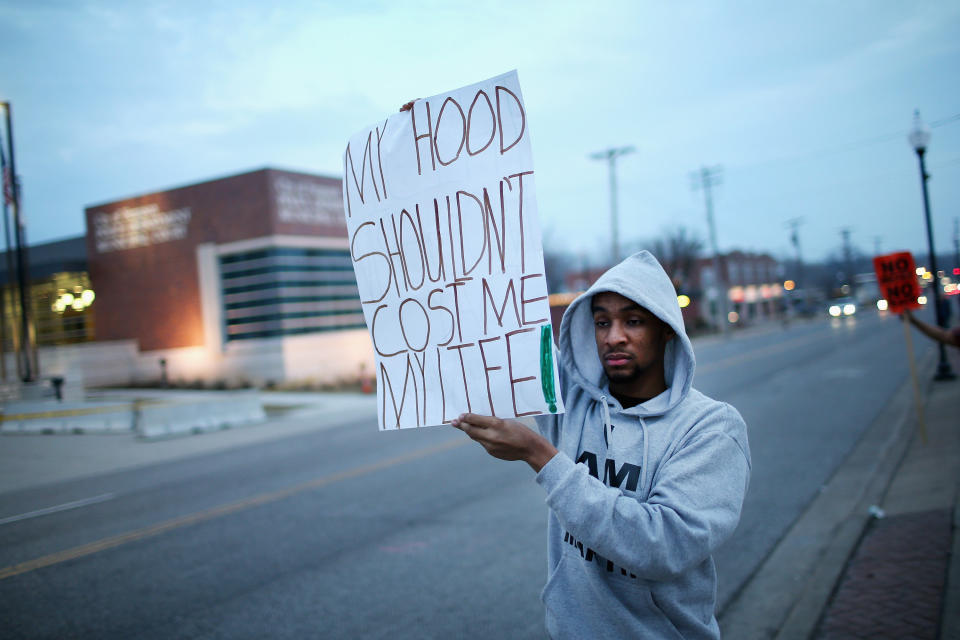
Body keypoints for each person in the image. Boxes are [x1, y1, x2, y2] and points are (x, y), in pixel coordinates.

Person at [452, 250, 751, 639]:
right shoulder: (573, 400)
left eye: (633, 321)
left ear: (666, 329)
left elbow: (661, 546)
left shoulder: (710, 428)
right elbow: (506, 323)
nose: (614, 337)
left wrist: (540, 455)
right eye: (602, 322)